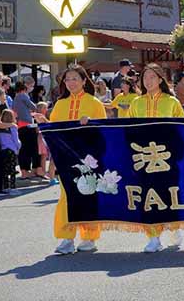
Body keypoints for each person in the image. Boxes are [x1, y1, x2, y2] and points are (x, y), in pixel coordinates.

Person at [129, 63, 184, 252]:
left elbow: (182, 128)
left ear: (161, 79)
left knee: (169, 192)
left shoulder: (172, 102)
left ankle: (174, 226)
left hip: (168, 156)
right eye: (145, 77)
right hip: (144, 157)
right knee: (148, 195)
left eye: (152, 77)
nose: (148, 81)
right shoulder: (136, 103)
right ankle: (153, 236)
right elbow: (128, 129)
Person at [51, 65, 107, 255]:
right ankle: (66, 238)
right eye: (67, 80)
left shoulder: (94, 103)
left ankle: (89, 237)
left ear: (84, 81)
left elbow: (103, 132)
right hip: (65, 159)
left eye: (75, 78)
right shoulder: (60, 104)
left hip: (88, 160)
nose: (71, 83)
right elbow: (54, 133)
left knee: (88, 196)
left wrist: (90, 123)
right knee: (66, 197)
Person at [13, 81, 42, 179]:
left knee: (24, 150)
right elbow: (33, 107)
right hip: (28, 125)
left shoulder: (15, 99)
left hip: (20, 126)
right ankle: (34, 170)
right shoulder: (23, 96)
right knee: (33, 148)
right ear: (24, 88)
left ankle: (25, 171)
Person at [0, 109, 21, 195]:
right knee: (12, 170)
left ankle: (6, 187)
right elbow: (16, 140)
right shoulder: (13, 127)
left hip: (2, 150)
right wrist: (18, 147)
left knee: (4, 169)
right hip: (11, 150)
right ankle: (13, 188)